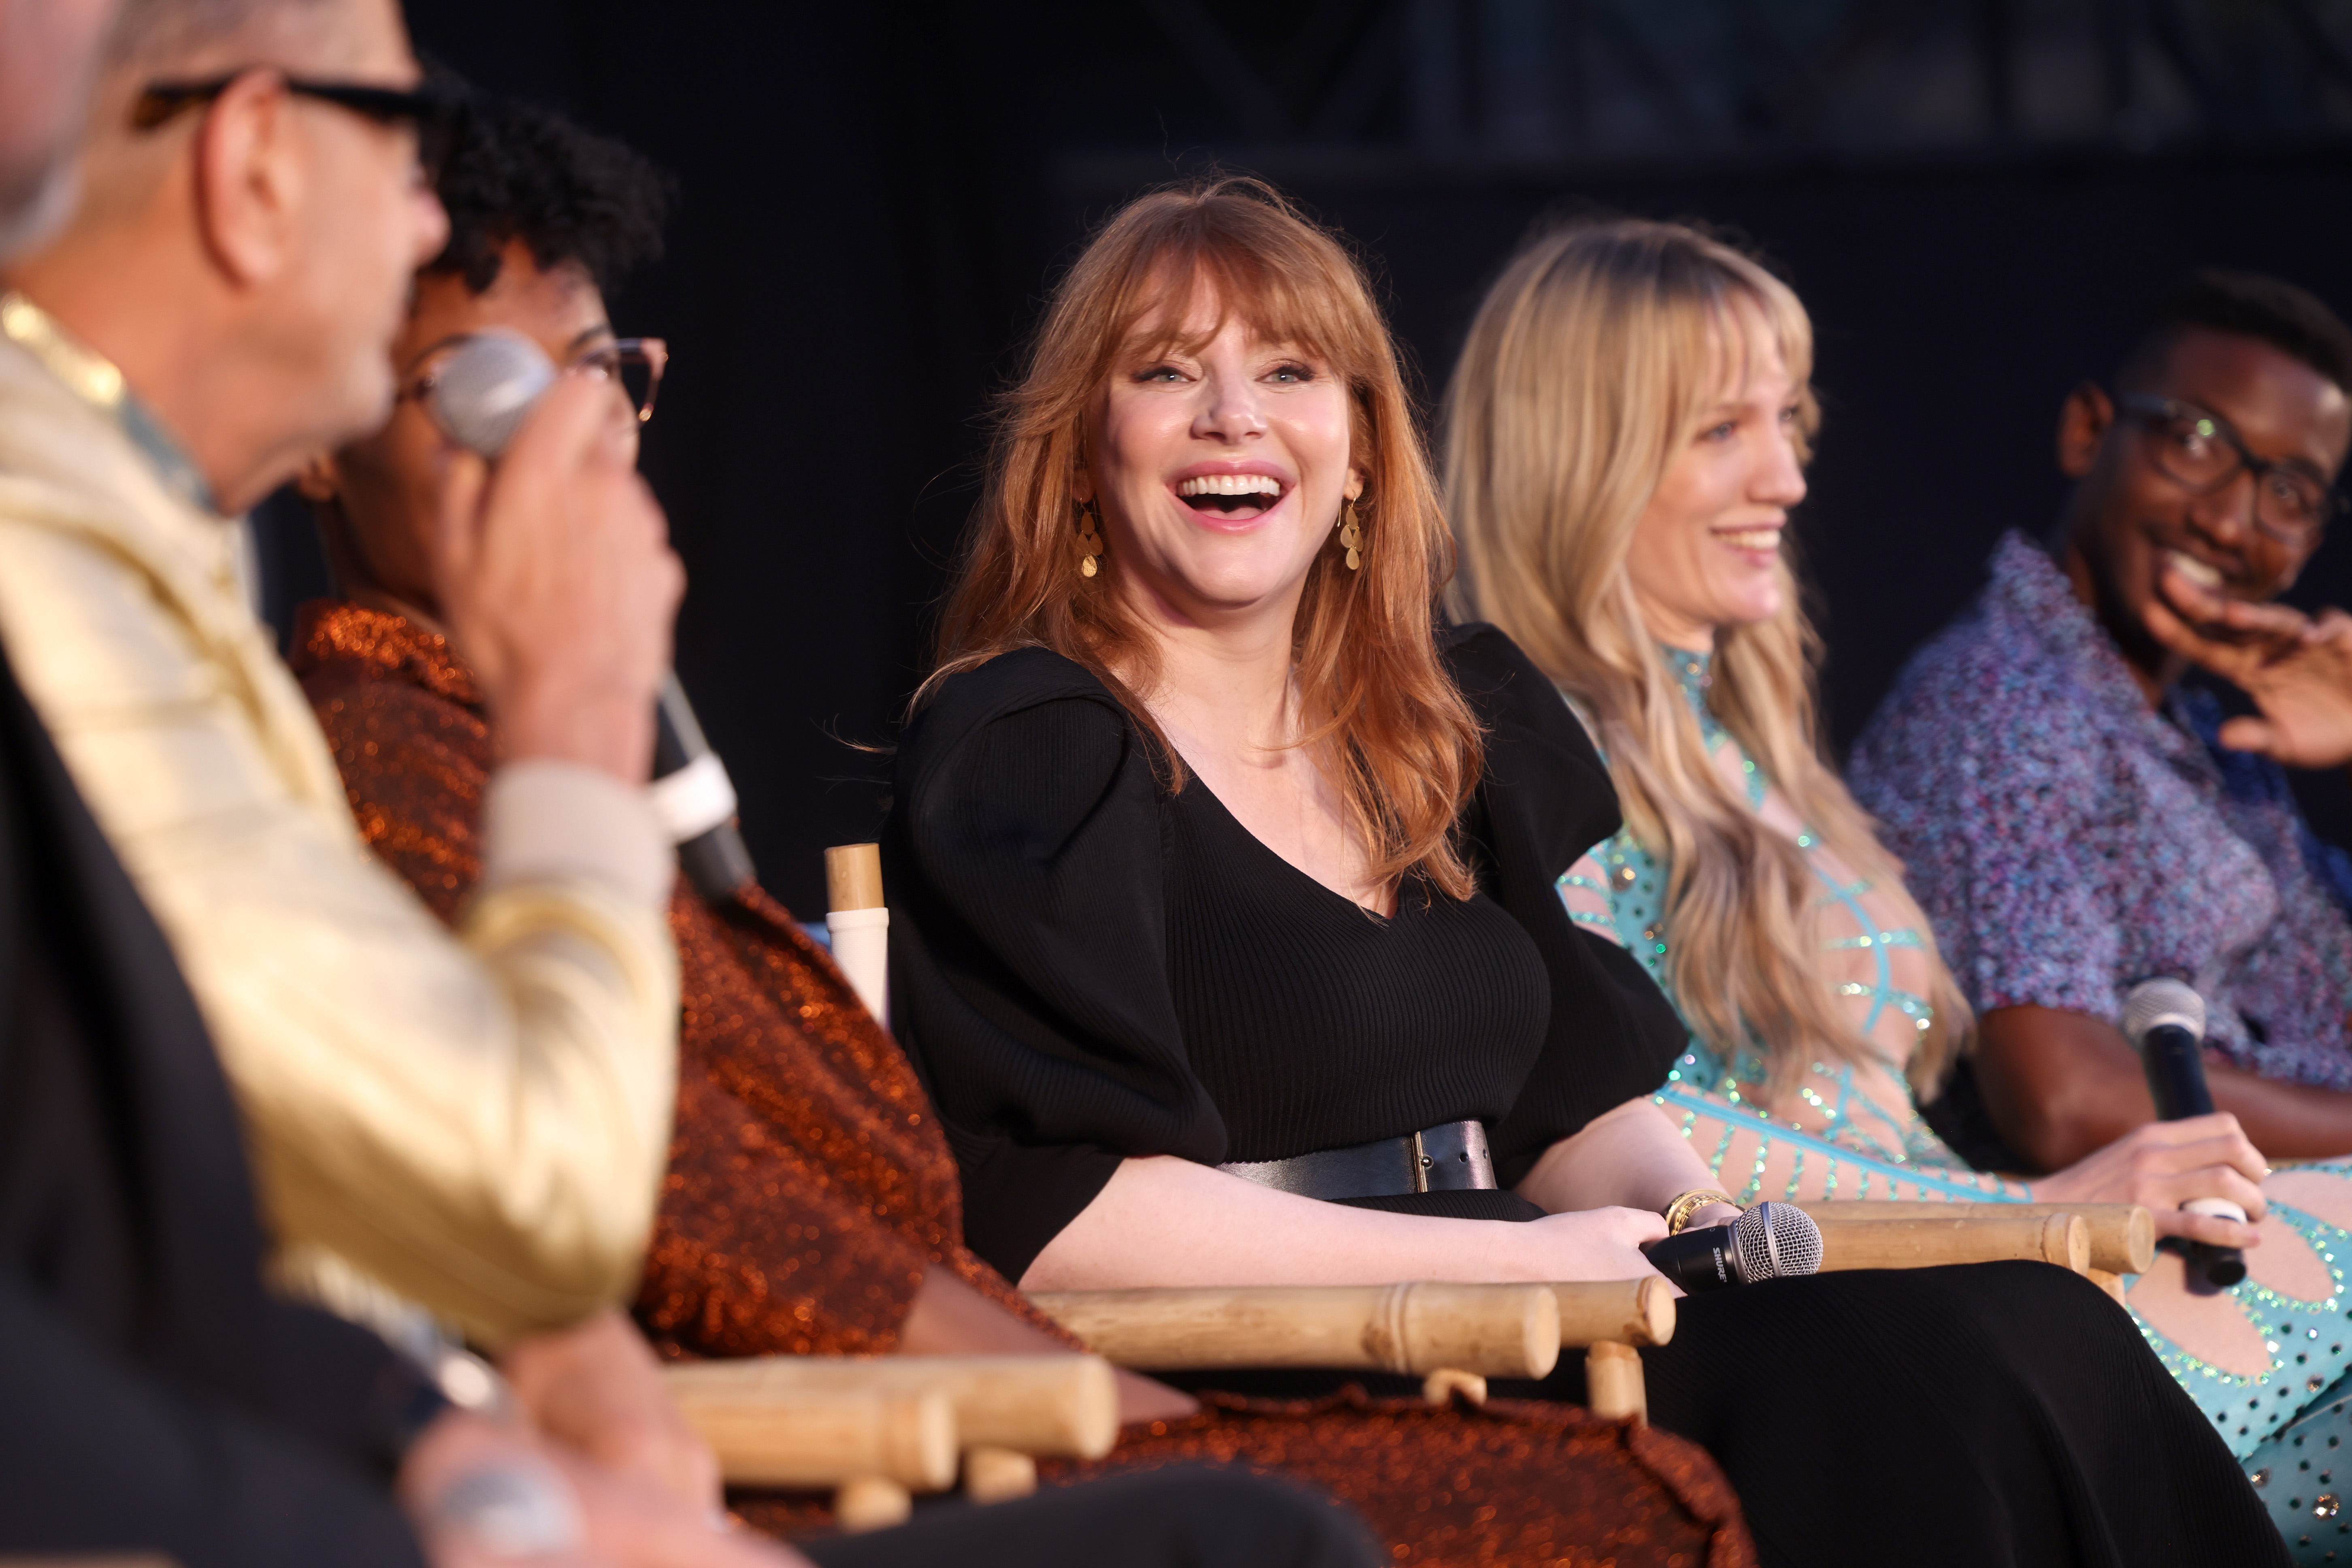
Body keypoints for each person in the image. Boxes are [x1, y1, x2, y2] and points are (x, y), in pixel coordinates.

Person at [292, 92, 1754, 1568]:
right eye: (480, 385)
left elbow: (816, 1208)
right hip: (954, 1423)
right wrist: (1146, 1424)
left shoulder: (552, 757)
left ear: (1368, 443)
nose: (567, 435)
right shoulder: (406, 760)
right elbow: (769, 1236)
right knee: (1609, 1502)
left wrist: (1710, 1234)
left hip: (1386, 1329)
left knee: (1864, 1366)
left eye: (603, 373)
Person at [881, 174, 2280, 1566]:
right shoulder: (1038, 744)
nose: (1236, 416)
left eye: (1291, 370)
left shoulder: (1439, 728)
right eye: (1168, 373)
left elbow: (1574, 1114)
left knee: (2038, 1327)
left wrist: (1705, 1225)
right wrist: (1524, 1260)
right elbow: (1057, 1219)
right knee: (1914, 1391)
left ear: (1362, 447)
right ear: (1083, 450)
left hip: (1541, 1305)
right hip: (1306, 1352)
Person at [1440, 216, 2352, 1556]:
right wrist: (2026, 1218)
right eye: (1719, 432)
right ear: (1582, 454)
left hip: (1990, 1291)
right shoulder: (1525, 752)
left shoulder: (1747, 757)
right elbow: (1621, 1128)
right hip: (1915, 1332)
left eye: (1790, 419)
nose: (1788, 477)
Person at [0, 0, 683, 1357]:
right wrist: (573, 727)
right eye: (405, 145)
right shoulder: (44, 536)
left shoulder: (139, 519)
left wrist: (473, 1437)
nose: (429, 224)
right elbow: (531, 1188)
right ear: (255, 164)